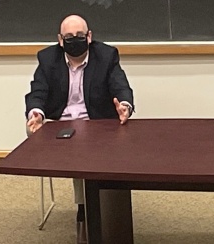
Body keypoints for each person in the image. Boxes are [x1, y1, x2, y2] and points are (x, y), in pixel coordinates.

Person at [24, 14, 134, 242]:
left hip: (95, 124)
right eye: (69, 37)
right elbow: (38, 92)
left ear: (89, 36)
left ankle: (86, 209)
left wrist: (125, 106)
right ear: (60, 40)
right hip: (59, 124)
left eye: (80, 36)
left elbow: (120, 85)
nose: (75, 40)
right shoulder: (48, 58)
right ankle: (87, 208)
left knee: (83, 149)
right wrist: (36, 113)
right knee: (72, 146)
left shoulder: (106, 55)